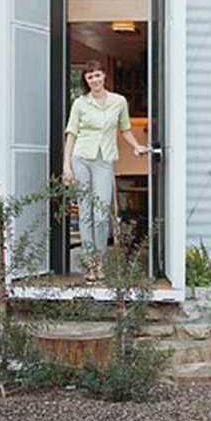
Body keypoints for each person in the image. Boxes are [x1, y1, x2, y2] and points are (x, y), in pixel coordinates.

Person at [62, 59, 148, 282]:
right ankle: (90, 265)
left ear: (104, 76)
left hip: (104, 160)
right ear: (86, 80)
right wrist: (66, 166)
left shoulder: (119, 102)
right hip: (81, 158)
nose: (94, 80)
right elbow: (71, 134)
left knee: (101, 215)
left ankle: (99, 261)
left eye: (97, 75)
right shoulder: (80, 104)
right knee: (85, 213)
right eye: (90, 77)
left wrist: (137, 146)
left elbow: (125, 130)